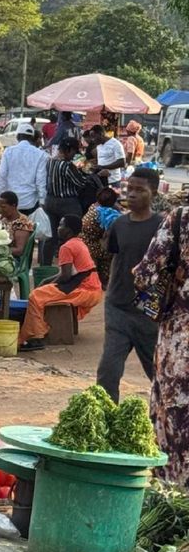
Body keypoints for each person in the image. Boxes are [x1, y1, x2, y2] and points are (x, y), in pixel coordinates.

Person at [95, 168, 164, 401]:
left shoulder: (163, 227)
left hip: (148, 312)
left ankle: (168, 422)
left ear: (153, 193)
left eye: (139, 190)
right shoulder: (119, 225)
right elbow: (111, 255)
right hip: (117, 307)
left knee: (159, 373)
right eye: (129, 189)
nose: (132, 194)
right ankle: (106, 419)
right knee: (108, 370)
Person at [134, 208, 189, 484]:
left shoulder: (180, 219)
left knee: (174, 418)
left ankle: (172, 497)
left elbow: (144, 275)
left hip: (179, 342)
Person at [19, 216, 103, 350]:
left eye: (61, 225)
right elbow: (67, 273)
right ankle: (40, 329)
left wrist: (47, 286)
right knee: (41, 292)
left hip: (84, 290)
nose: (58, 228)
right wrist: (47, 282)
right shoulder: (78, 242)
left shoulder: (67, 247)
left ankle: (36, 336)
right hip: (93, 289)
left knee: (36, 296)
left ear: (68, 231)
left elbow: (65, 276)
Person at [41, 138, 92, 265]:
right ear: (69, 150)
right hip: (67, 203)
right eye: (74, 152)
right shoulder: (67, 165)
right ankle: (76, 263)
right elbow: (80, 182)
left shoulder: (50, 161)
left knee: (50, 235)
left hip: (50, 201)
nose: (75, 155)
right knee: (76, 232)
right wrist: (85, 170)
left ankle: (45, 265)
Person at [0, 125, 48, 215]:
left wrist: (0, 196)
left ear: (17, 136)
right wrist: (42, 201)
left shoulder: (8, 151)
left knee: (8, 228)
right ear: (32, 138)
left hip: (10, 202)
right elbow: (41, 180)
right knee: (28, 228)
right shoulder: (41, 155)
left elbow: (1, 176)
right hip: (30, 203)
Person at [80, 188, 121, 289]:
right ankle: (103, 281)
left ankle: (97, 280)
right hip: (94, 245)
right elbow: (109, 233)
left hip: (84, 240)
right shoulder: (107, 214)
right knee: (110, 251)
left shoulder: (93, 207)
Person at [0, 191, 34, 259]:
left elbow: (19, 250)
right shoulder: (0, 218)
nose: (0, 210)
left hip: (11, 260)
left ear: (13, 206)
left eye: (3, 207)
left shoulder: (22, 223)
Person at [89, 123, 126, 188]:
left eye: (94, 137)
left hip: (113, 180)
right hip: (101, 179)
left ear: (101, 134)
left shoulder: (115, 144)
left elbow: (122, 162)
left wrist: (103, 167)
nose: (92, 139)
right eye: (91, 137)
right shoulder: (98, 145)